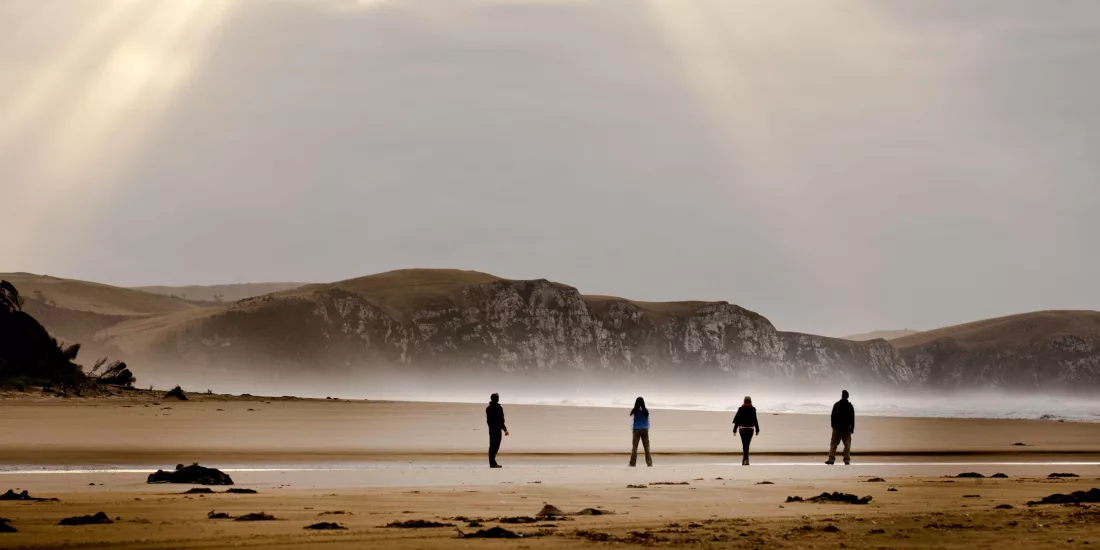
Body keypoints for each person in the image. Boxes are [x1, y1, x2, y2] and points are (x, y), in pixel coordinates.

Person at [826, 389, 855, 465]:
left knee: (834, 444)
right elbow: (852, 418)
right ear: (847, 397)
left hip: (838, 428)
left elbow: (833, 416)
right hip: (846, 428)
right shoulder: (850, 406)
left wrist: (833, 426)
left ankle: (831, 459)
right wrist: (852, 428)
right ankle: (846, 460)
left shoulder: (837, 404)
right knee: (847, 445)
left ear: (842, 396)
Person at [732, 396, 760, 465]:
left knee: (744, 444)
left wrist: (734, 429)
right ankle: (746, 460)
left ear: (744, 401)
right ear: (750, 401)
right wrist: (757, 429)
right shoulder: (753, 409)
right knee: (747, 444)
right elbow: (755, 419)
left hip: (742, 429)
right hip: (750, 429)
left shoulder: (741, 409)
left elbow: (737, 420)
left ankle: (745, 459)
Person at [486, 393, 509, 468]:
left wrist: (490, 427)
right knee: (495, 446)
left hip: (491, 429)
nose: (498, 399)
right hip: (497, 429)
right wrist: (505, 429)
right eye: (498, 397)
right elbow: (501, 420)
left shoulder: (488, 408)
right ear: (496, 399)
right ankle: (492, 463)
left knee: (492, 446)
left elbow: (488, 421)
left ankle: (492, 463)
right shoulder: (498, 408)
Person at [629, 397, 652, 467]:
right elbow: (649, 422)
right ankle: (649, 463)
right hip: (645, 430)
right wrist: (646, 428)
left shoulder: (634, 411)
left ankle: (632, 464)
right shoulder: (646, 411)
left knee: (634, 448)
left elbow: (631, 422)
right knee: (647, 447)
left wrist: (633, 429)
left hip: (636, 430)